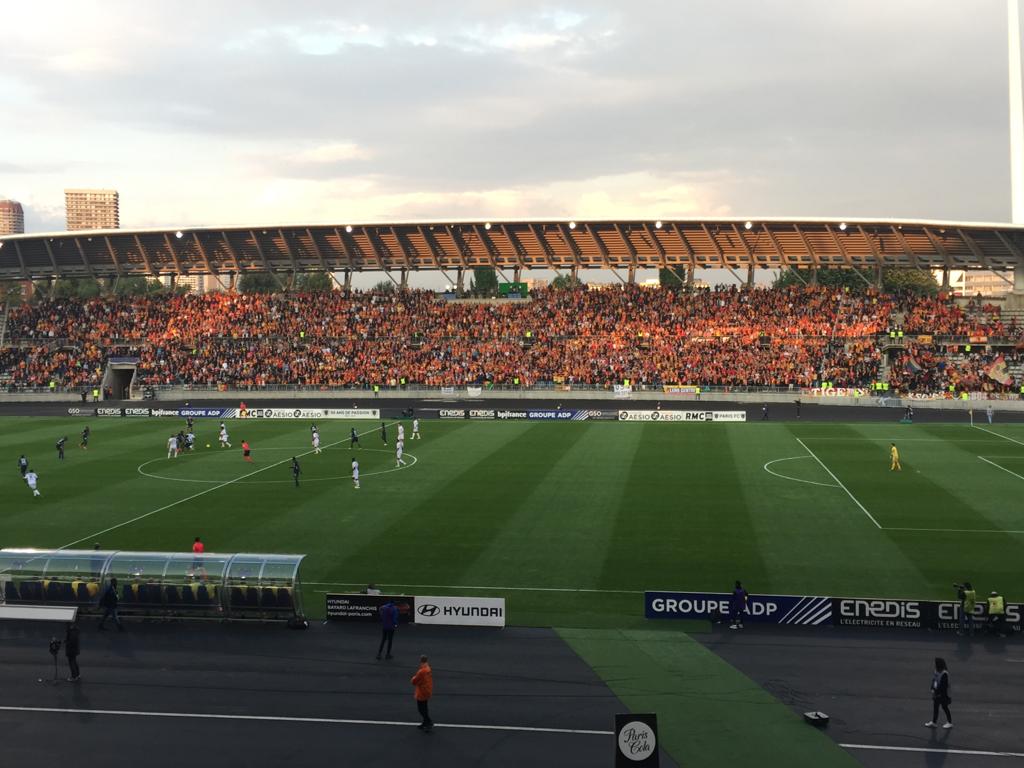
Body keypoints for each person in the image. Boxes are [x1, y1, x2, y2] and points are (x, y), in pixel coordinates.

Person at [925, 658, 952, 729]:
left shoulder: (944, 674)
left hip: (943, 695)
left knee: (945, 707)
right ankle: (934, 722)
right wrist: (932, 688)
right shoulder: (936, 671)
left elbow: (943, 686)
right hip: (937, 693)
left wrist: (937, 693)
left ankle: (949, 722)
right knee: (936, 708)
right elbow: (934, 680)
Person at [411, 655, 434, 732]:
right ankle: (425, 722)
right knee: (425, 707)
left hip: (422, 692)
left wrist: (413, 678)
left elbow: (414, 681)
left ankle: (428, 721)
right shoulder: (428, 668)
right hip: (427, 690)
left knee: (421, 709)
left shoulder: (421, 671)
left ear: (421, 661)